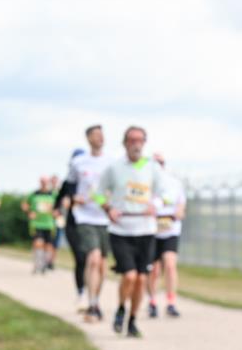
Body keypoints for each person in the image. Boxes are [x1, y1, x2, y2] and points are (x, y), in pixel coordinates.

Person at [95, 126, 165, 338]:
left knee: (142, 280)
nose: (136, 144)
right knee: (129, 276)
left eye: (140, 140)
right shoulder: (114, 168)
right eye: (132, 140)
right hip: (121, 230)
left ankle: (132, 319)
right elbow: (97, 194)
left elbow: (165, 194)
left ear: (144, 143)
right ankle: (120, 308)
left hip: (145, 229)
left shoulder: (152, 167)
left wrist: (157, 205)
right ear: (125, 143)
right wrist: (108, 208)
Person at [66, 126, 112, 322]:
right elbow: (68, 188)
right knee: (92, 258)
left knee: (102, 264)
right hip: (85, 217)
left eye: (101, 135)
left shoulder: (111, 163)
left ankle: (96, 300)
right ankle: (91, 304)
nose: (99, 138)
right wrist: (74, 199)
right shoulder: (78, 162)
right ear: (88, 138)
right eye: (95, 135)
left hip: (106, 218)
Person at [146, 152, 186, 318]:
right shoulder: (145, 184)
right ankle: (152, 301)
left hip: (170, 230)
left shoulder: (174, 183)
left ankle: (171, 302)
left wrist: (176, 213)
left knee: (170, 265)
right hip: (151, 230)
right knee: (154, 269)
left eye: (160, 163)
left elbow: (181, 208)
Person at [56, 150, 87, 310]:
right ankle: (81, 291)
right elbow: (58, 202)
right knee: (81, 258)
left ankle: (92, 294)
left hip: (91, 226)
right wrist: (62, 205)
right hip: (73, 225)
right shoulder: (68, 183)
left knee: (93, 260)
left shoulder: (93, 180)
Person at [22, 176, 57, 274]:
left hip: (49, 224)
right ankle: (37, 264)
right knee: (38, 244)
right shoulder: (34, 194)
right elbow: (24, 204)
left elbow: (60, 205)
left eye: (46, 182)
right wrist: (29, 212)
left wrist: (56, 212)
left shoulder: (53, 194)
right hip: (36, 223)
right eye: (42, 182)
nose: (44, 184)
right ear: (40, 183)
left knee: (48, 246)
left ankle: (44, 264)